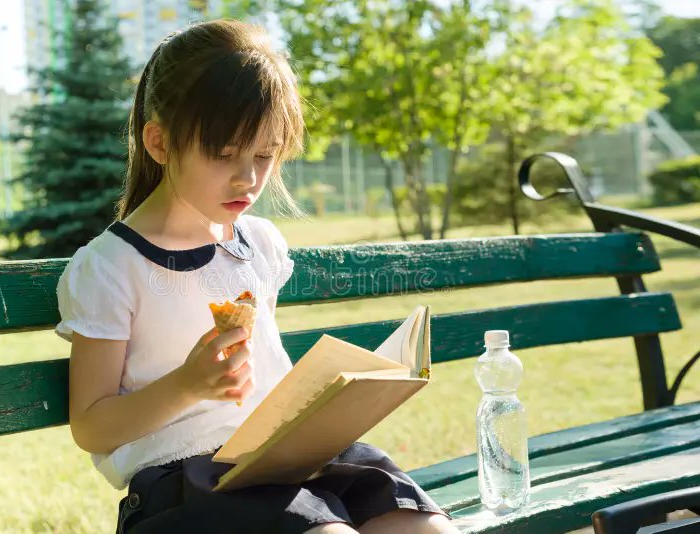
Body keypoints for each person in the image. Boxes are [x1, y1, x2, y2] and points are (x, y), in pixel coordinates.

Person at [55, 18, 458, 534]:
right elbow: (91, 426)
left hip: (283, 460)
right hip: (188, 487)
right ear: (158, 142)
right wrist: (188, 384)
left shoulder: (258, 243)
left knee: (425, 527)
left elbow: (262, 377)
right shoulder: (111, 266)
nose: (247, 177)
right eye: (224, 155)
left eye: (264, 156)